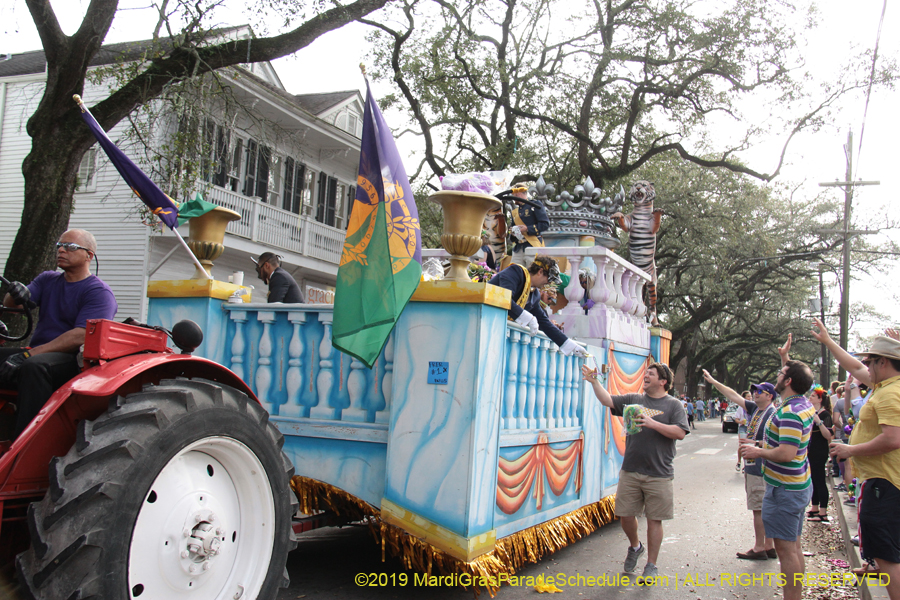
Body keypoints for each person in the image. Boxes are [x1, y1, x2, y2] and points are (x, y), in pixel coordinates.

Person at [0, 229, 118, 437]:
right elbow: (14, 307)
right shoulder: (47, 279)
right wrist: (14, 294)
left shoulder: (98, 293)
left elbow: (80, 336)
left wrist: (29, 354)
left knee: (34, 367)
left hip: (72, 360)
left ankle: (25, 442)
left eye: (70, 247)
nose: (61, 250)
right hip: (39, 352)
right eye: (59, 246)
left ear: (89, 255)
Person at [582, 361, 689, 579]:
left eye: (651, 373)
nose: (646, 376)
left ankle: (651, 564)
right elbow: (607, 400)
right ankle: (635, 546)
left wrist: (652, 423)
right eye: (646, 373)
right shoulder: (634, 400)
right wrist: (594, 381)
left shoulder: (674, 405)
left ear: (663, 381)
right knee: (625, 515)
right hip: (630, 469)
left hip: (659, 473)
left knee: (654, 519)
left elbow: (679, 432)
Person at [816, 320, 900, 597]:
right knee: (886, 553)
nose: (866, 365)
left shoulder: (890, 393)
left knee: (888, 557)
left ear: (883, 363)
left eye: (870, 361)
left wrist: (850, 450)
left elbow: (892, 439)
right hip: (880, 482)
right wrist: (828, 342)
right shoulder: (884, 385)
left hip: (885, 484)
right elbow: (853, 367)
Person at [741, 360, 815, 600]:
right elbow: (788, 443)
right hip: (796, 485)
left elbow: (786, 453)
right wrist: (761, 444)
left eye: (781, 373)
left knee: (786, 551)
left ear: (789, 381)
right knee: (793, 546)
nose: (777, 376)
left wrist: (758, 452)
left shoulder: (791, 412)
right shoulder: (801, 404)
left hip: (785, 489)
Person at [703, 370, 778, 561]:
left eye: (759, 392)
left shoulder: (772, 414)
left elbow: (775, 442)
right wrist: (713, 381)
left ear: (770, 396)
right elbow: (733, 395)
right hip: (754, 465)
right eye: (754, 391)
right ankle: (769, 545)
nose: (755, 394)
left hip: (761, 467)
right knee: (763, 507)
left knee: (758, 508)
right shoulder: (755, 409)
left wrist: (755, 445)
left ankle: (760, 546)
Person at [488, 255, 587, 358]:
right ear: (540, 272)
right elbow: (504, 298)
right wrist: (527, 317)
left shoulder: (534, 295)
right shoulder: (515, 272)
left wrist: (570, 345)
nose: (548, 283)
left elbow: (544, 323)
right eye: (548, 279)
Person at [806, 387, 833, 522]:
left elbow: (828, 435)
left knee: (820, 479)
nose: (810, 398)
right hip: (810, 450)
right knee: (813, 480)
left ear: (820, 399)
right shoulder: (811, 413)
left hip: (819, 451)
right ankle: (814, 507)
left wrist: (819, 422)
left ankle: (823, 511)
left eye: (813, 396)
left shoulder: (825, 415)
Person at [508, 187, 549, 266]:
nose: (513, 197)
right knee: (514, 273)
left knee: (533, 274)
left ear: (518, 193)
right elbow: (513, 227)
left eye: (513, 195)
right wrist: (513, 233)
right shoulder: (515, 211)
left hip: (532, 245)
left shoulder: (534, 204)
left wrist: (527, 228)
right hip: (518, 248)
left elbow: (545, 224)